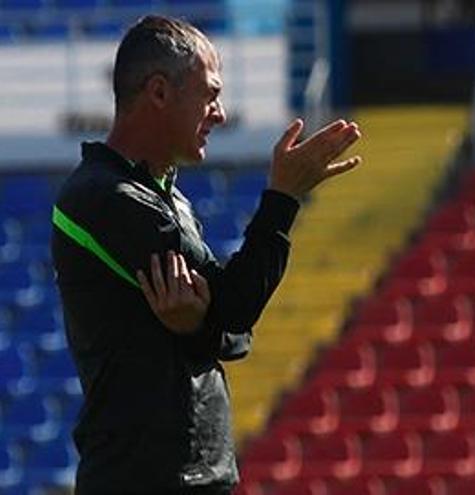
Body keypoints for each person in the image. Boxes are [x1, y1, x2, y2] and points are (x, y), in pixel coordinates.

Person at [51, 15, 362, 494]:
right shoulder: (104, 197)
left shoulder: (168, 196)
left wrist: (199, 326)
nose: (218, 113)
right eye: (210, 94)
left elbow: (235, 332)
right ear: (158, 92)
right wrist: (283, 198)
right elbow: (236, 308)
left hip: (201, 479)